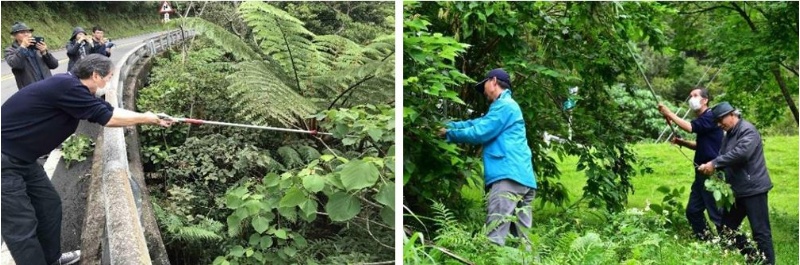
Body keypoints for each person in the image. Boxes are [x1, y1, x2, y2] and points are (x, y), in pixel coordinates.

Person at [1, 54, 174, 265]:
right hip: (5, 159)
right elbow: (108, 119)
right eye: (108, 77)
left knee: (49, 206)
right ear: (95, 75)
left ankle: (52, 259)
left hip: (22, 158)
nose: (109, 83)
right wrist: (146, 118)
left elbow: (108, 110)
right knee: (21, 225)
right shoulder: (67, 87)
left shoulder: (73, 88)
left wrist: (151, 117)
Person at [437, 68, 537, 246]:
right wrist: (450, 126)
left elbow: (480, 132)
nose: (483, 91)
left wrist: (448, 134)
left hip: (508, 177)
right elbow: (477, 123)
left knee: (494, 236)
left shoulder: (505, 106)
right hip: (524, 178)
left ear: (494, 81)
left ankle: (487, 257)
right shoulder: (505, 107)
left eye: (484, 85)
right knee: (522, 242)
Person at [697, 102, 774, 265]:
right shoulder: (728, 135)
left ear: (731, 114)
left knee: (760, 232)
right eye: (716, 122)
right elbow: (724, 156)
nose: (719, 125)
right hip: (737, 191)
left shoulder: (748, 130)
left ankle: (768, 263)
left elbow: (741, 154)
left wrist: (714, 163)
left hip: (754, 190)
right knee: (727, 228)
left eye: (720, 120)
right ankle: (754, 258)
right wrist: (712, 169)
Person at [657, 87, 723, 240]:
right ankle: (708, 241)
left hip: (711, 172)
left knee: (716, 214)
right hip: (700, 173)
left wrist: (669, 113)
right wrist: (682, 142)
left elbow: (690, 127)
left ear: (705, 100)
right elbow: (701, 145)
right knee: (693, 211)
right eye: (690, 96)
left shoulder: (710, 116)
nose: (691, 98)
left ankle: (733, 243)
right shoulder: (703, 119)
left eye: (695, 95)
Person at [4, 21, 58, 89]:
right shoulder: (10, 50)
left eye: (28, 32)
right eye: (22, 32)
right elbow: (16, 65)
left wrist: (45, 53)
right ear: (14, 36)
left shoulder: (37, 47)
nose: (26, 34)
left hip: (47, 85)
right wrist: (23, 47)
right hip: (30, 89)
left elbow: (54, 65)